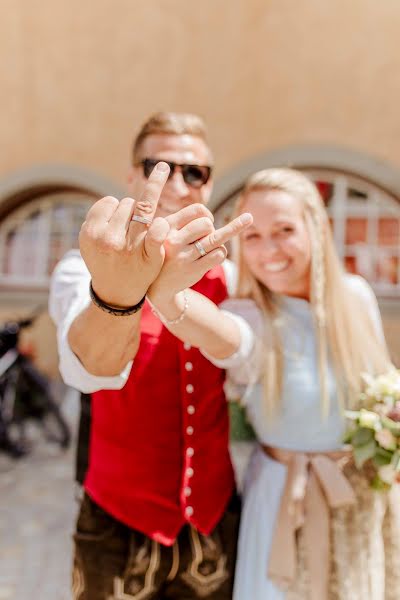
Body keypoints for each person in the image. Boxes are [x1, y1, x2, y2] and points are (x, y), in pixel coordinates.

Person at [147, 168, 400, 600]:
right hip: (287, 503)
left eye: (284, 230)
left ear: (316, 229)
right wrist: (170, 295)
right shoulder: (249, 315)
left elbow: (382, 382)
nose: (269, 251)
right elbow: (225, 337)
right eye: (253, 237)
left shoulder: (356, 297)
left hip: (365, 501)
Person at [49, 112, 252, 600]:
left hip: (213, 517)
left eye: (194, 172)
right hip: (116, 520)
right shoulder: (85, 268)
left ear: (208, 185)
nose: (178, 183)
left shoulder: (235, 276)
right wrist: (117, 295)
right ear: (133, 176)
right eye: (159, 165)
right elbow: (91, 368)